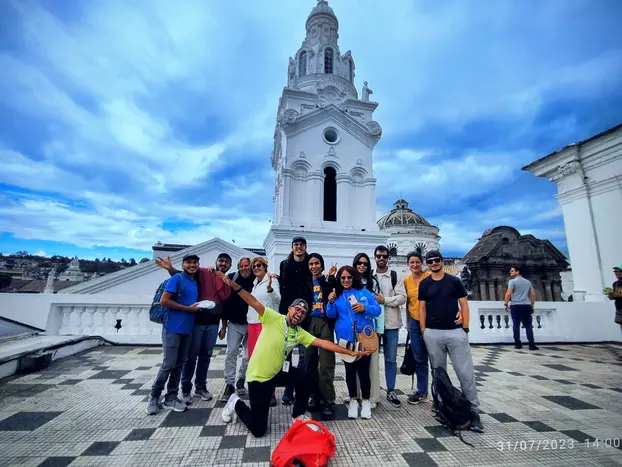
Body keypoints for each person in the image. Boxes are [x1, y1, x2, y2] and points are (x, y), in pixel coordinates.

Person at [219, 273, 367, 438]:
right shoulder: (273, 318)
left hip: (276, 374)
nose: (299, 313)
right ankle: (235, 402)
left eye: (303, 312)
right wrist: (234, 285)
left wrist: (350, 352)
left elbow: (324, 343)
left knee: (306, 378)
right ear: (289, 308)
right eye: (297, 309)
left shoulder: (299, 333)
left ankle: (297, 415)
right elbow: (253, 301)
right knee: (258, 430)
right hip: (258, 379)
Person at [419, 250, 484, 432]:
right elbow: (422, 308)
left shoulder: (454, 281)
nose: (434, 263)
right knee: (438, 373)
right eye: (430, 261)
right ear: (427, 264)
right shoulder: (425, 284)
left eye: (437, 260)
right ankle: (443, 407)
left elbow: (464, 304)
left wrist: (465, 328)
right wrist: (424, 330)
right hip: (433, 332)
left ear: (442, 261)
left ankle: (473, 411)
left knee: (465, 373)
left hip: (455, 332)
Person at [155, 253, 233, 405]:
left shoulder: (228, 281)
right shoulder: (204, 272)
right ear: (216, 261)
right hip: (196, 322)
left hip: (213, 323)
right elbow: (184, 276)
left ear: (230, 265)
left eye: (226, 262)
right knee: (190, 357)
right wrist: (170, 268)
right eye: (221, 261)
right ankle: (185, 388)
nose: (223, 264)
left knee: (206, 356)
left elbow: (226, 306)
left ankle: (200, 387)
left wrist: (224, 326)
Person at [147, 254, 200, 415]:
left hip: (187, 329)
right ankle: (154, 396)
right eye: (188, 262)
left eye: (195, 263)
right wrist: (188, 309)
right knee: (168, 364)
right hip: (172, 327)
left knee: (179, 364)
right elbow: (164, 301)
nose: (192, 265)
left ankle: (171, 397)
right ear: (183, 265)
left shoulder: (193, 281)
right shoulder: (177, 278)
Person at [327, 265, 381, 420]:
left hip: (363, 338)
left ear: (354, 277)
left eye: (349, 277)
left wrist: (365, 307)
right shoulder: (337, 295)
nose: (346, 280)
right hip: (345, 340)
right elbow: (331, 315)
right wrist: (330, 302)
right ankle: (353, 400)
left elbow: (377, 310)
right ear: (339, 279)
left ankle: (366, 401)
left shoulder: (364, 292)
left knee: (364, 371)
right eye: (343, 278)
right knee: (350, 371)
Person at [278, 237, 313, 405]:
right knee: (288, 353)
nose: (299, 247)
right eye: (296, 245)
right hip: (289, 315)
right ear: (292, 247)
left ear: (305, 247)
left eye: (301, 245)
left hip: (306, 315)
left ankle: (303, 388)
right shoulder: (285, 264)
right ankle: (288, 388)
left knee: (305, 355)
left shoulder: (310, 263)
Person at [372, 245, 407, 408]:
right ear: (375, 257)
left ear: (388, 258)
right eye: (379, 256)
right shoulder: (369, 276)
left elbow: (402, 297)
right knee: (372, 360)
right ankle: (372, 391)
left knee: (391, 359)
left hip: (391, 324)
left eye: (384, 256)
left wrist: (384, 300)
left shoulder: (394, 276)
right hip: (373, 326)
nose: (381, 259)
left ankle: (391, 390)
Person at [305, 253, 338, 420]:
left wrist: (330, 277)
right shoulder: (305, 282)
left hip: (325, 323)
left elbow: (334, 291)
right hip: (309, 323)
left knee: (326, 363)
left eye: (317, 263)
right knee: (309, 363)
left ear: (322, 265)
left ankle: (328, 401)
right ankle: (314, 395)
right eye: (311, 264)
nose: (314, 266)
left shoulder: (327, 281)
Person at [350, 252, 382, 409]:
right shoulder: (350, 281)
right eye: (359, 263)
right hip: (354, 329)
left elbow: (378, 307)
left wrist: (379, 329)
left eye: (365, 264)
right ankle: (355, 394)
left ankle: (372, 396)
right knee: (355, 364)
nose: (362, 266)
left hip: (369, 329)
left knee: (372, 365)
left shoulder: (372, 283)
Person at [221, 257, 254, 399]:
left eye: (247, 265)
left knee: (248, 355)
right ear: (238, 267)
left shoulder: (256, 278)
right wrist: (223, 326)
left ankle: (241, 379)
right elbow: (225, 302)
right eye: (242, 266)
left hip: (251, 323)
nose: (244, 268)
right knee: (231, 353)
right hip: (234, 323)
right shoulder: (231, 277)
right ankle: (229, 383)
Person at [403, 251, 432, 404]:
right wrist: (408, 324)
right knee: (419, 357)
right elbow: (408, 303)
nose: (415, 265)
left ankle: (439, 392)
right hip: (414, 320)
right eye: (412, 262)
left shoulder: (429, 277)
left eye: (417, 262)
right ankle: (422, 391)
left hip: (431, 320)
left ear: (422, 263)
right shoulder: (406, 281)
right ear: (408, 264)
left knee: (435, 357)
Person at [504, 266, 539, 350]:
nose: (510, 272)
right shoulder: (527, 282)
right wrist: (532, 305)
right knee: (528, 325)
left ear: (518, 272)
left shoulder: (512, 281)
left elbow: (508, 293)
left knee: (516, 325)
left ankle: (517, 343)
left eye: (512, 271)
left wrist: (505, 303)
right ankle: (531, 344)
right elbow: (533, 294)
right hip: (526, 305)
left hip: (516, 305)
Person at [607, 265, 622, 333]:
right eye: (615, 271)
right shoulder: (615, 284)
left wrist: (617, 295)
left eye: (620, 271)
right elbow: (615, 296)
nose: (617, 273)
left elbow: (618, 295)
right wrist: (611, 296)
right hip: (620, 311)